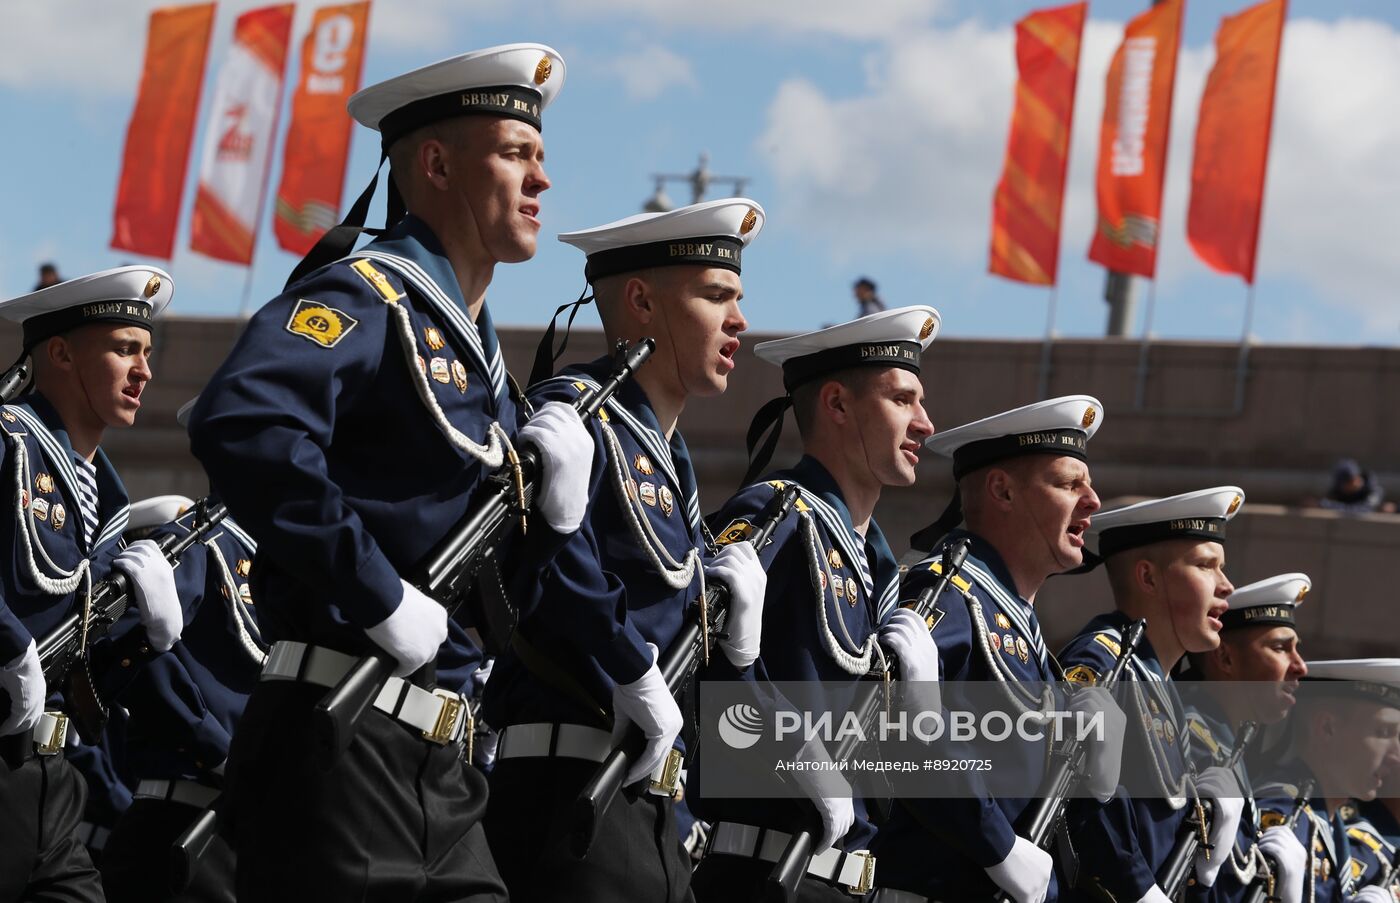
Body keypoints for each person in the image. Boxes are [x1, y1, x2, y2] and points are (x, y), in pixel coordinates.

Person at [188, 43, 592, 902]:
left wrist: (553, 522)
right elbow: (246, 421)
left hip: (442, 767)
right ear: (437, 165)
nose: (542, 179)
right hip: (338, 742)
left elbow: (496, 605)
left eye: (540, 156)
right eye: (516, 153)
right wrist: (373, 590)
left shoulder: (485, 368)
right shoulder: (369, 296)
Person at [482, 197, 768, 902]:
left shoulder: (669, 460)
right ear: (641, 301)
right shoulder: (578, 414)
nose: (739, 320)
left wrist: (737, 654)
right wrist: (627, 661)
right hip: (572, 793)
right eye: (716, 296)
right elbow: (536, 565)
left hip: (652, 813)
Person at [688, 306, 942, 901]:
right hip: (765, 873)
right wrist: (795, 754)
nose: (925, 424)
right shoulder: (777, 515)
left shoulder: (879, 569)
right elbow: (701, 674)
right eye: (902, 400)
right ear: (837, 404)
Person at [870, 395, 1115, 903]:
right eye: (1069, 484)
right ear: (1003, 490)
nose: (1092, 501)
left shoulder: (1019, 626)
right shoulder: (947, 596)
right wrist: (999, 847)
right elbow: (891, 742)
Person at [0, 265, 183, 901]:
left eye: (147, 353)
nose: (144, 371)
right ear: (59, 353)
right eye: (125, 349)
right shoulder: (9, 442)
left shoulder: (105, 499)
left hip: (51, 776)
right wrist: (6, 644)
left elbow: (82, 651)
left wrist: (143, 634)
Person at [1059, 487, 1247, 903]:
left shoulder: (1156, 679)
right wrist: (1140, 890)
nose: (1227, 586)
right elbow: (1079, 801)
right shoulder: (1104, 662)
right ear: (1147, 578)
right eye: (1206, 566)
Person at [98, 493, 263, 903]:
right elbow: (122, 638)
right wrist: (218, 750)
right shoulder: (205, 540)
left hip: (251, 834)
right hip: (184, 824)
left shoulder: (285, 556)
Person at [1178, 573, 1311, 902]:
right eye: (1280, 648)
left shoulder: (1227, 747)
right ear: (1225, 658)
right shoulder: (1196, 743)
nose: (1300, 667)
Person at [1255, 659, 1400, 903]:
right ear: (1327, 727)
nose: (1396, 756)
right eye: (1383, 733)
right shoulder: (1285, 814)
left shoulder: (1328, 824)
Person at [1319, 458, 1394, 514]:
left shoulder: (1373, 490)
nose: (1355, 482)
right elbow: (1325, 503)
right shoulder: (1338, 491)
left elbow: (1364, 509)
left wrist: (1332, 506)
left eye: (1353, 480)